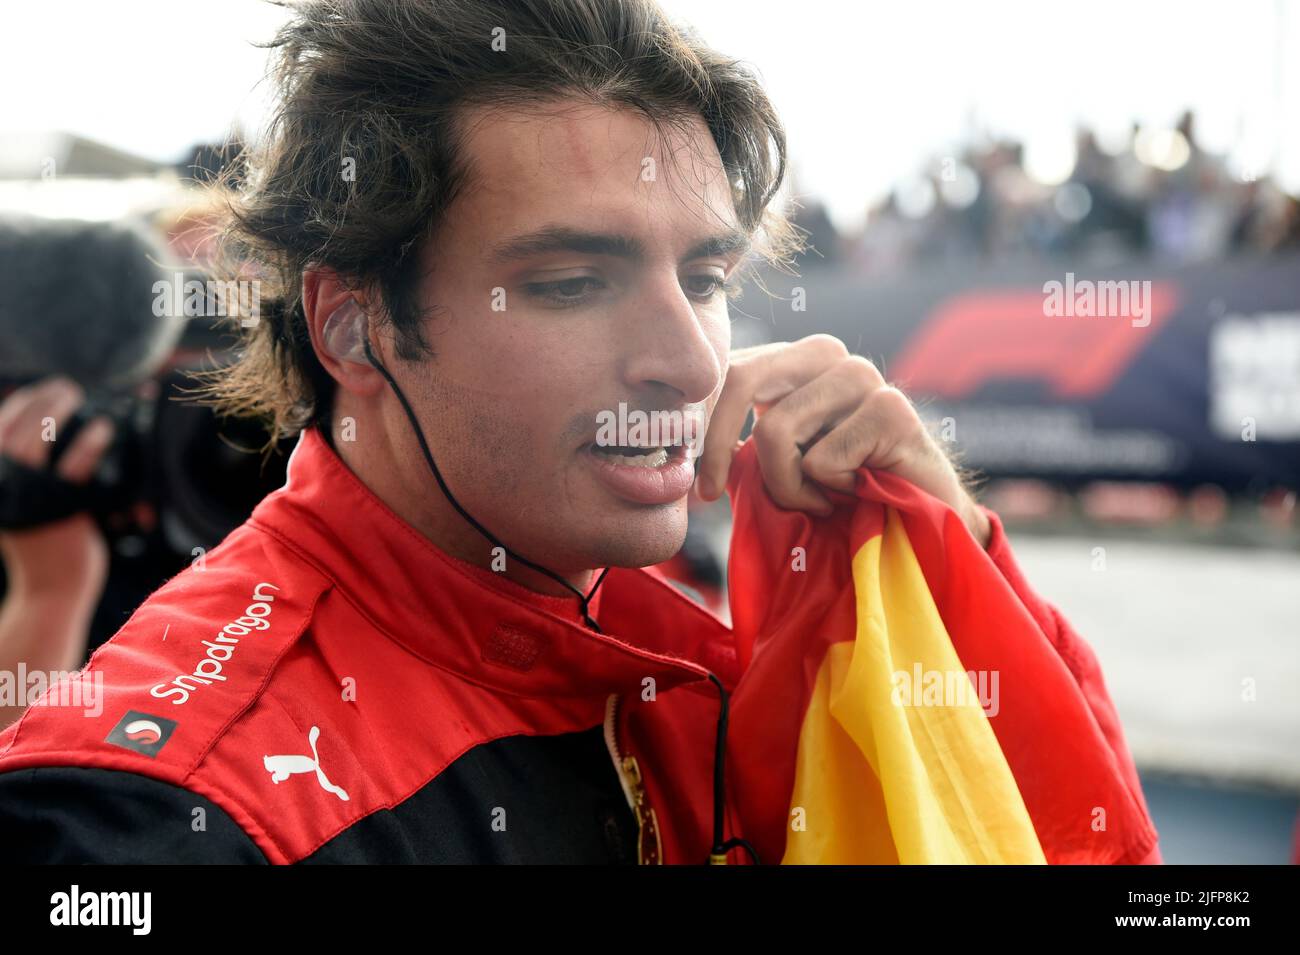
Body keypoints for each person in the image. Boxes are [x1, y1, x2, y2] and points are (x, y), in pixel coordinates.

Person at [0, 0, 1155, 863]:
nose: (692, 359)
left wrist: (947, 550)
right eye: (567, 282)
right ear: (355, 329)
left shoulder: (686, 630)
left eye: (703, 276)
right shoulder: (171, 820)